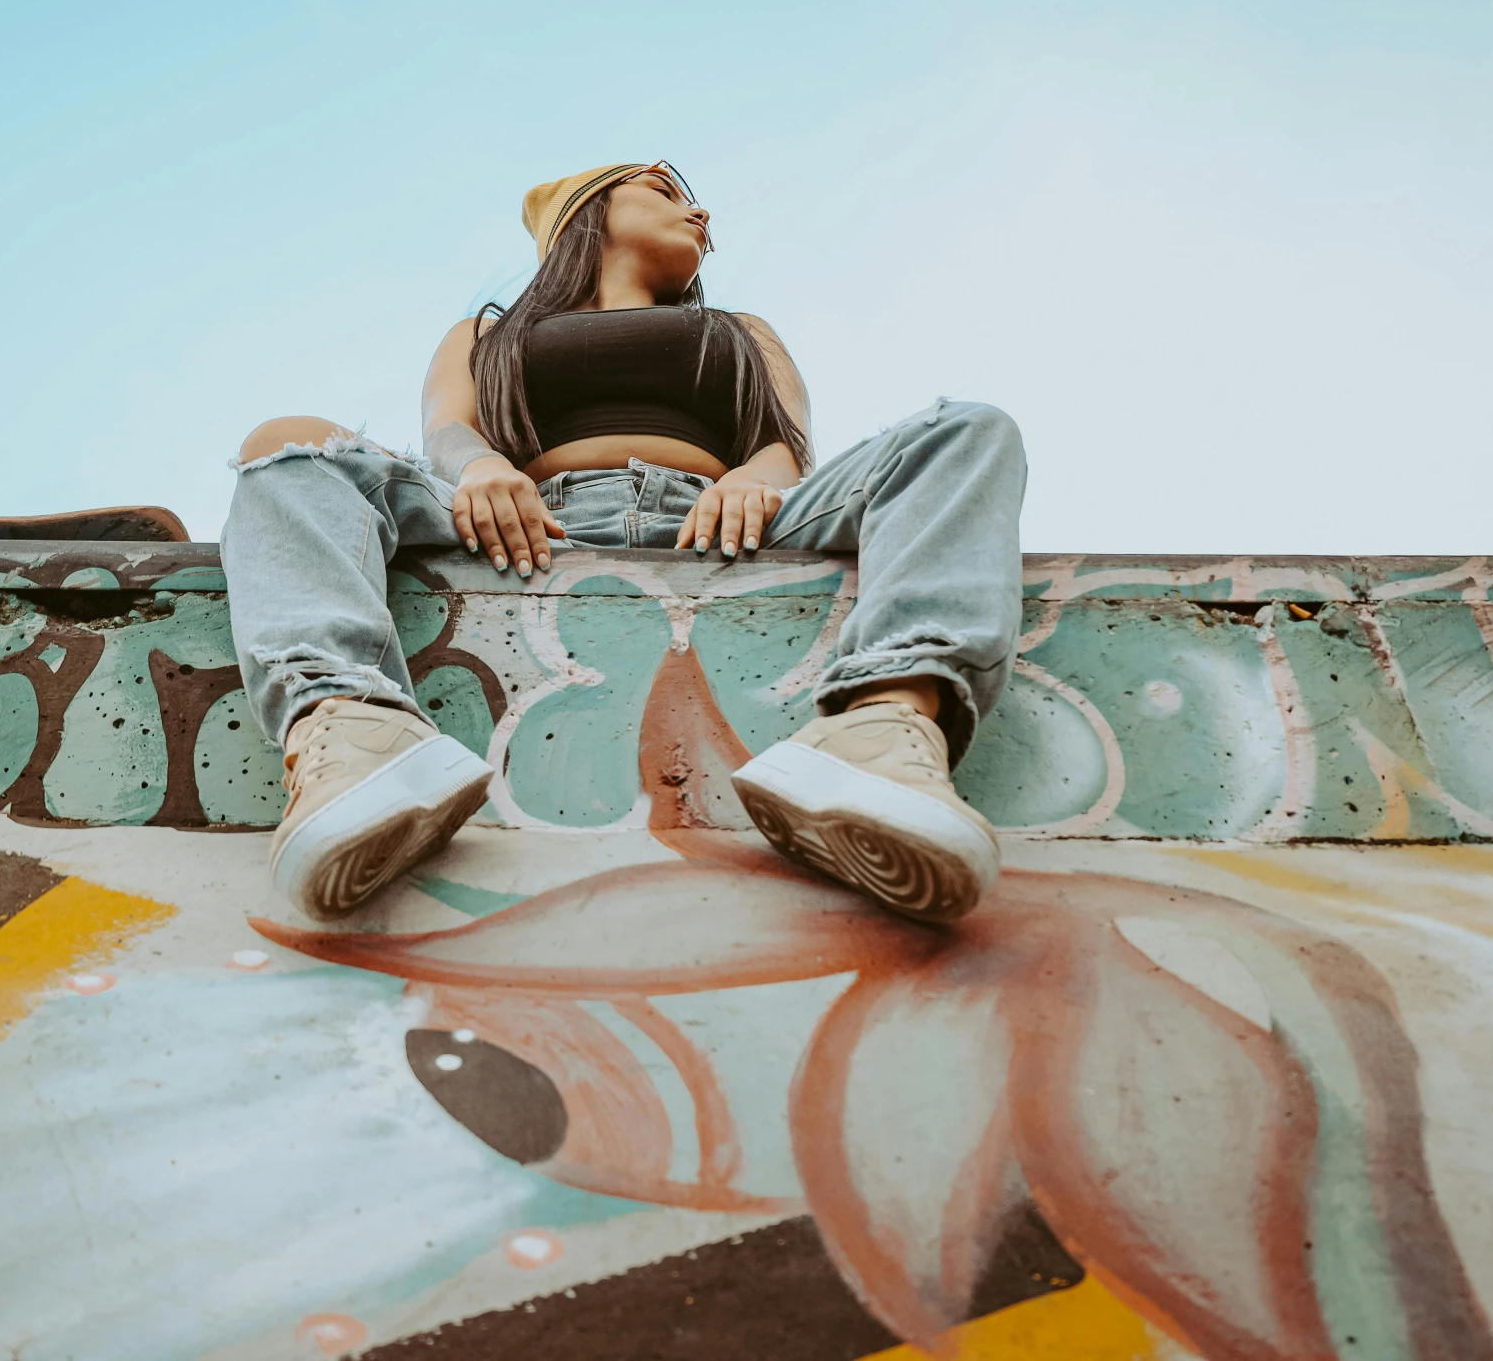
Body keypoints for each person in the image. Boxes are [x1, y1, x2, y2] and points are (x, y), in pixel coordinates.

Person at [222, 163, 1026, 925]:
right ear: (590, 210)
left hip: (722, 522)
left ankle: (882, 728)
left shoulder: (742, 330)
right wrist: (485, 469)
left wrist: (757, 480)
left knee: (965, 431)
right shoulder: (486, 333)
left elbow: (786, 441)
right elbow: (447, 429)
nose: (702, 214)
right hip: (526, 521)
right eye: (667, 188)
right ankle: (353, 730)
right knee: (289, 448)